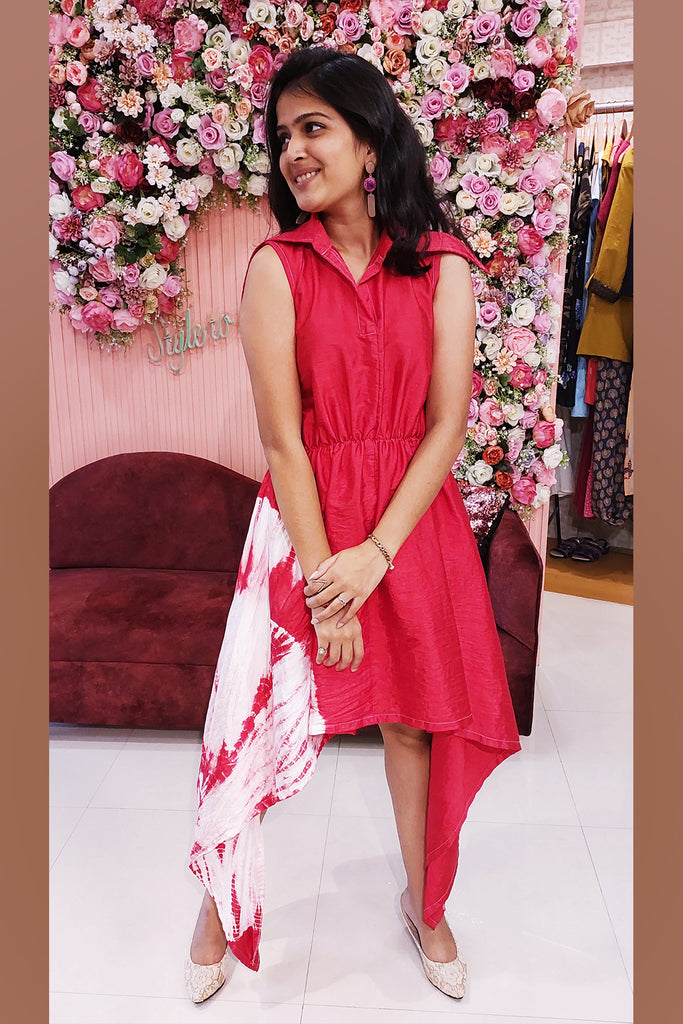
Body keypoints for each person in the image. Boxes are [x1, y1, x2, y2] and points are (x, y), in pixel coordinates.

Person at [185, 46, 521, 1005]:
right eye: (281, 136)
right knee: (260, 723)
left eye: (314, 128)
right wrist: (329, 577)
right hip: (305, 523)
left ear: (370, 141)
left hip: (410, 524)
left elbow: (445, 425)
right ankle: (217, 909)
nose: (292, 150)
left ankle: (426, 905)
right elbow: (283, 443)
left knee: (414, 726)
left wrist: (378, 552)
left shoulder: (442, 265)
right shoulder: (275, 269)